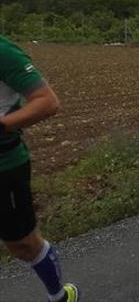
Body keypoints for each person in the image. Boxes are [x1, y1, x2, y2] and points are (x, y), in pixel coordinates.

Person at [1, 35, 79, 302]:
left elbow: (47, 102)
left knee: (23, 244)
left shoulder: (4, 52)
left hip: (4, 166)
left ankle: (59, 295)